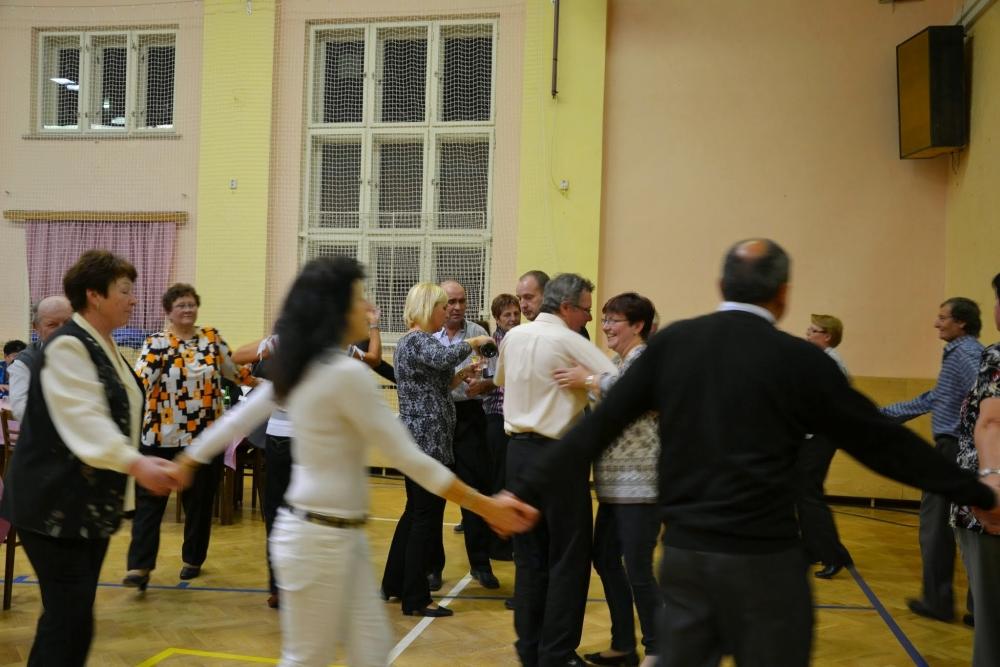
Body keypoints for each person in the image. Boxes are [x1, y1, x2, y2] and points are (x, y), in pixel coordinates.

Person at [504, 239, 1000, 667]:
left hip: (688, 561)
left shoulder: (675, 344)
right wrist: (977, 492)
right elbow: (881, 442)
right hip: (769, 566)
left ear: (721, 286)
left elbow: (596, 429)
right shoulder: (801, 360)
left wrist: (522, 490)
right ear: (783, 294)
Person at [171, 257, 536, 666]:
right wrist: (486, 506)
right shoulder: (341, 373)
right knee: (309, 657)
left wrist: (185, 462)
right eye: (360, 299)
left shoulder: (319, 364)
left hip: (342, 537)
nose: (370, 309)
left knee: (369, 650)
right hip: (315, 540)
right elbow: (413, 460)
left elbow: (237, 419)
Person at [0, 250, 177, 666]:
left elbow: (119, 415)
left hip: (84, 506)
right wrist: (137, 464)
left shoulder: (104, 344)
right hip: (53, 506)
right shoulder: (68, 346)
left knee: (71, 621)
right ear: (94, 295)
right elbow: (84, 421)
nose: (134, 299)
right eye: (125, 290)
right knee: (68, 622)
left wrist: (139, 460)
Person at [495, 273, 618, 667]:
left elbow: (500, 381)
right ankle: (557, 653)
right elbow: (622, 384)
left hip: (517, 454)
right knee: (567, 558)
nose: (589, 318)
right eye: (585, 309)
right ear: (566, 307)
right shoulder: (570, 340)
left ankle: (529, 648)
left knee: (528, 557)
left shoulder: (513, 336)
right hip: (560, 457)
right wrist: (590, 380)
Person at [553, 292, 662, 667]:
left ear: (638, 325)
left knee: (638, 568)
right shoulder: (616, 363)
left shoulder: (646, 359)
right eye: (604, 319)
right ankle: (623, 644)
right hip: (614, 486)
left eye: (614, 320)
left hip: (642, 484)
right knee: (605, 559)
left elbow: (640, 394)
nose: (606, 327)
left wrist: (589, 379)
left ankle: (658, 648)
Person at [123, 283, 254, 589]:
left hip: (204, 436)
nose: (187, 309)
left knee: (200, 502)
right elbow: (140, 381)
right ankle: (139, 566)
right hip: (160, 434)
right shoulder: (156, 343)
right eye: (181, 305)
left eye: (191, 304)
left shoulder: (211, 338)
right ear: (168, 312)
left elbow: (234, 371)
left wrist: (261, 383)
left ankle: (193, 559)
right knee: (149, 503)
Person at [380, 282, 494, 616]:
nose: (447, 313)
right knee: (425, 520)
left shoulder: (416, 342)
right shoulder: (418, 340)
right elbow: (443, 356)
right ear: (429, 308)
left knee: (415, 514)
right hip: (426, 441)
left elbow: (438, 383)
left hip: (425, 440)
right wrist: (474, 341)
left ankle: (394, 583)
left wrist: (462, 375)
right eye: (443, 306)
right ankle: (416, 599)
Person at [882, 296, 983, 622]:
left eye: (943, 317)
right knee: (968, 529)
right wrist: (884, 415)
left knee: (936, 527)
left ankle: (939, 602)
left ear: (961, 322)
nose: (936, 323)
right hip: (962, 449)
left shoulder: (965, 354)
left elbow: (986, 395)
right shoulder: (962, 352)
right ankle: (977, 609)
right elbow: (935, 398)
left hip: (954, 450)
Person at [430, 279, 500, 590]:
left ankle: (481, 564)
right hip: (439, 419)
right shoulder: (429, 336)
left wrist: (484, 385)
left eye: (462, 301)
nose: (457, 307)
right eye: (451, 302)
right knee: (434, 494)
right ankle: (432, 568)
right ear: (440, 305)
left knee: (474, 492)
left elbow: (496, 376)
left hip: (471, 417)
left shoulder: (480, 335)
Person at [952, 272, 1000, 666]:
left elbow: (993, 421)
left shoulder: (993, 355)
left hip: (992, 507)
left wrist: (991, 482)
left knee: (992, 628)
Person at [798, 314, 853, 579]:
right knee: (802, 493)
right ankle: (813, 549)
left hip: (821, 436)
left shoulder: (831, 363)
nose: (807, 334)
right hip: (813, 435)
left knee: (809, 494)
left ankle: (834, 555)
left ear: (827, 336)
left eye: (813, 331)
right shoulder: (821, 360)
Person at [483, 293, 521, 562]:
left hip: (517, 420)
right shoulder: (491, 345)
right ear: (497, 318)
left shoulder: (522, 340)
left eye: (516, 313)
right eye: (507, 314)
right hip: (497, 418)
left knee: (513, 482)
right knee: (498, 480)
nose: (513, 318)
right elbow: (491, 379)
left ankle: (514, 538)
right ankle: (497, 545)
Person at [7, 296, 73, 421]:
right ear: (36, 327)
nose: (62, 330)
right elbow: (22, 410)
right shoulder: (25, 362)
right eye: (52, 325)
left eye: (68, 323)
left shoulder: (88, 351)